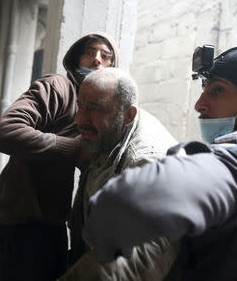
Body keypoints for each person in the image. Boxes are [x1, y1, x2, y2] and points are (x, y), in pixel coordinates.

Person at [82, 45, 237, 281]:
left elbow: (137, 195)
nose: (200, 104)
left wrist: (115, 206)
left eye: (218, 90)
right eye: (204, 89)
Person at [0, 32, 119, 281]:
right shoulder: (59, 87)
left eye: (106, 55)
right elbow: (3, 131)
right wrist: (70, 148)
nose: (97, 60)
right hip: (23, 221)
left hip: (53, 222)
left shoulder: (94, 108)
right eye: (90, 52)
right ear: (76, 59)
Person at [60, 68, 179, 280]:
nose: (80, 118)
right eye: (80, 106)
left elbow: (136, 259)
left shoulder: (145, 162)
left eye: (95, 109)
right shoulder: (112, 131)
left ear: (128, 114)